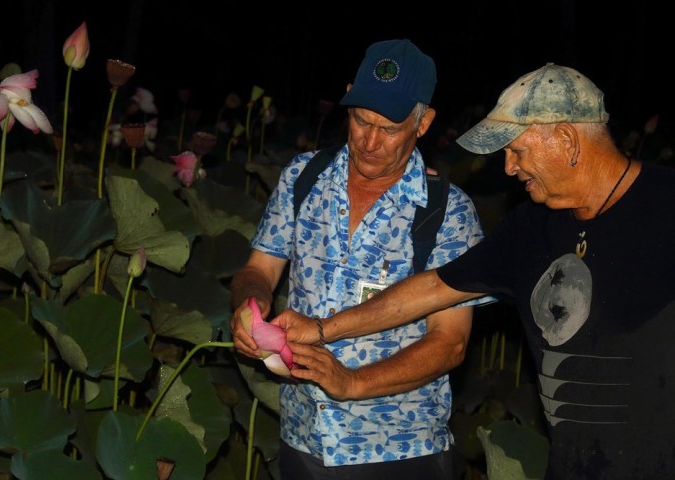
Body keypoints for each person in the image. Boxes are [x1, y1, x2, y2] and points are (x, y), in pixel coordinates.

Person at [275, 63, 675, 479]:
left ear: (566, 140)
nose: (509, 168)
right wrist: (323, 330)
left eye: (517, 151)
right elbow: (431, 289)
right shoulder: (530, 227)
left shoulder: (665, 208)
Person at [230, 39, 490, 479]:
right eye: (359, 120)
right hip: (302, 435)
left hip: (399, 448)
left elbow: (450, 343)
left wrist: (352, 383)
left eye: (388, 128)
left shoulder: (448, 212)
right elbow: (259, 269)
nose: (369, 141)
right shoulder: (303, 177)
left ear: (423, 122)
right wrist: (249, 308)